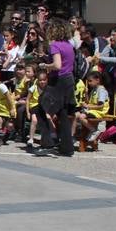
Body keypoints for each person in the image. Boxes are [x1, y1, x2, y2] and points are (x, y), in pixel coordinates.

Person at [36, 19, 77, 157]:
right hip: (69, 80)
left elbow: (57, 65)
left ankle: (48, 142)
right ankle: (67, 147)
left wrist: (45, 66)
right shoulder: (68, 45)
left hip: (58, 80)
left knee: (40, 108)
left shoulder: (55, 46)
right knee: (62, 113)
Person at [74, 70, 113, 151]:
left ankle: (94, 130)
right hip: (93, 110)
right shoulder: (94, 89)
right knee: (76, 114)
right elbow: (89, 102)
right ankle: (76, 135)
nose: (88, 83)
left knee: (81, 117)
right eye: (88, 81)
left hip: (100, 111)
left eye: (90, 81)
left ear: (97, 80)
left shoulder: (101, 90)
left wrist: (88, 106)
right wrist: (86, 94)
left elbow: (100, 105)